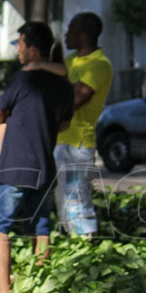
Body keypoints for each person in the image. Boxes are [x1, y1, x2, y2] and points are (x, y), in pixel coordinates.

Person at [0, 22, 73, 293]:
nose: (16, 49)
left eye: (19, 43)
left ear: (33, 49)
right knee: (40, 230)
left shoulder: (23, 80)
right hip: (44, 166)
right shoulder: (63, 85)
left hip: (14, 166)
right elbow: (65, 122)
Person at [50, 13, 113, 237]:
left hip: (77, 144)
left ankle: (85, 249)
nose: (66, 35)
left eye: (70, 31)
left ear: (84, 35)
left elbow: (76, 98)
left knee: (77, 199)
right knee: (63, 201)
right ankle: (75, 249)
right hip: (61, 140)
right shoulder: (70, 62)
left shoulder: (99, 64)